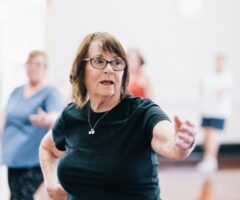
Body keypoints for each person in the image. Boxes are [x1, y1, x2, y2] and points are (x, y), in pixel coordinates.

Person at [39, 32, 197, 200]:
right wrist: (50, 185)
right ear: (81, 69)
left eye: (116, 62)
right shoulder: (72, 115)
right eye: (99, 61)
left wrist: (180, 144)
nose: (109, 69)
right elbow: (47, 148)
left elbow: (168, 140)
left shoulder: (143, 113)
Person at [1, 50, 62, 199]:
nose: (33, 67)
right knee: (14, 196)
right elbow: (6, 117)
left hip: (34, 160)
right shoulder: (16, 91)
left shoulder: (50, 92)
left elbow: (56, 116)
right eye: (30, 64)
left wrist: (48, 119)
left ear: (45, 69)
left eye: (38, 64)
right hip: (13, 159)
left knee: (23, 196)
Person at [196, 54, 234, 173]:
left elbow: (220, 91)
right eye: (217, 61)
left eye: (221, 62)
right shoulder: (210, 76)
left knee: (213, 136)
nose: (219, 64)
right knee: (206, 136)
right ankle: (207, 158)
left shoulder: (227, 77)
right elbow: (202, 88)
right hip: (207, 110)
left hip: (219, 112)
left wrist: (212, 90)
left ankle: (211, 160)